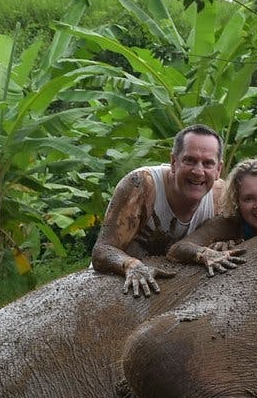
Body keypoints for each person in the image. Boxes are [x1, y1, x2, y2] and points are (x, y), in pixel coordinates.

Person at [91, 124, 227, 296]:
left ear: (218, 170)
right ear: (173, 162)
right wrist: (130, 265)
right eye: (189, 160)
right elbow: (102, 249)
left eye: (208, 163)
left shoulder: (221, 197)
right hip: (120, 284)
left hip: (176, 290)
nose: (198, 171)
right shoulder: (141, 185)